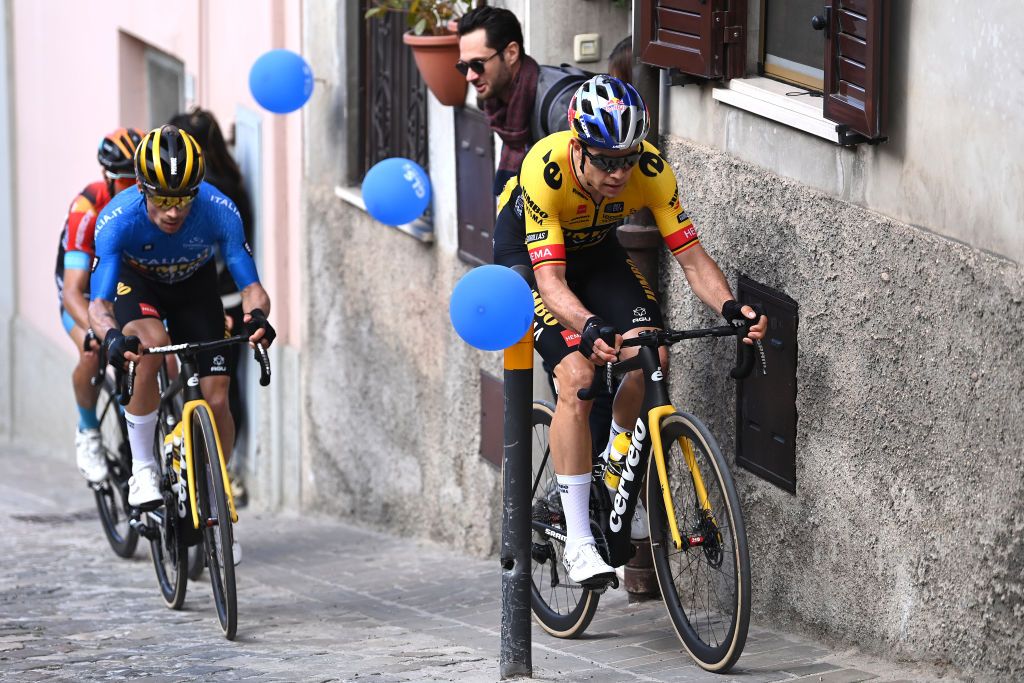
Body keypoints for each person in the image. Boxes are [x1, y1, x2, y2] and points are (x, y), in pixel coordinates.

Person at [493, 75, 767, 586]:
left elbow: (692, 259)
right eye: (605, 160)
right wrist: (588, 326)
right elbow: (550, 283)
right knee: (577, 376)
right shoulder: (546, 173)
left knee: (650, 356)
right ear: (579, 147)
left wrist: (732, 308)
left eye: (627, 157)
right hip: (529, 263)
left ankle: (617, 471)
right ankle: (577, 539)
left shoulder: (651, 172)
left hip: (596, 252)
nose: (619, 172)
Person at [87, 125, 274, 529]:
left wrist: (258, 317)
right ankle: (143, 468)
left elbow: (253, 289)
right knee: (149, 344)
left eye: (183, 199)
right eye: (163, 198)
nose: (173, 211)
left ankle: (216, 494)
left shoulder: (219, 209)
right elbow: (98, 304)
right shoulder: (118, 219)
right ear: (141, 188)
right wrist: (112, 336)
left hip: (194, 286)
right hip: (138, 285)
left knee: (218, 398)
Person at [168, 108, 254, 504]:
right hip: (227, 300)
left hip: (214, 301)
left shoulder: (207, 193)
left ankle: (199, 462)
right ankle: (223, 472)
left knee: (200, 384)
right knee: (223, 388)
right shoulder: (231, 183)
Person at [55, 127, 143, 483]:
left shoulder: (147, 201)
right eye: (125, 180)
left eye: (139, 178)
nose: (135, 187)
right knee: (94, 353)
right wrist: (96, 329)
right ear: (107, 176)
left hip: (122, 286)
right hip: (83, 292)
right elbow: (73, 292)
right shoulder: (87, 208)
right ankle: (88, 432)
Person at [456, 5, 534, 196]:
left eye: (477, 64)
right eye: (463, 67)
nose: (470, 76)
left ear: (511, 54)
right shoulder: (494, 103)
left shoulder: (558, 107)